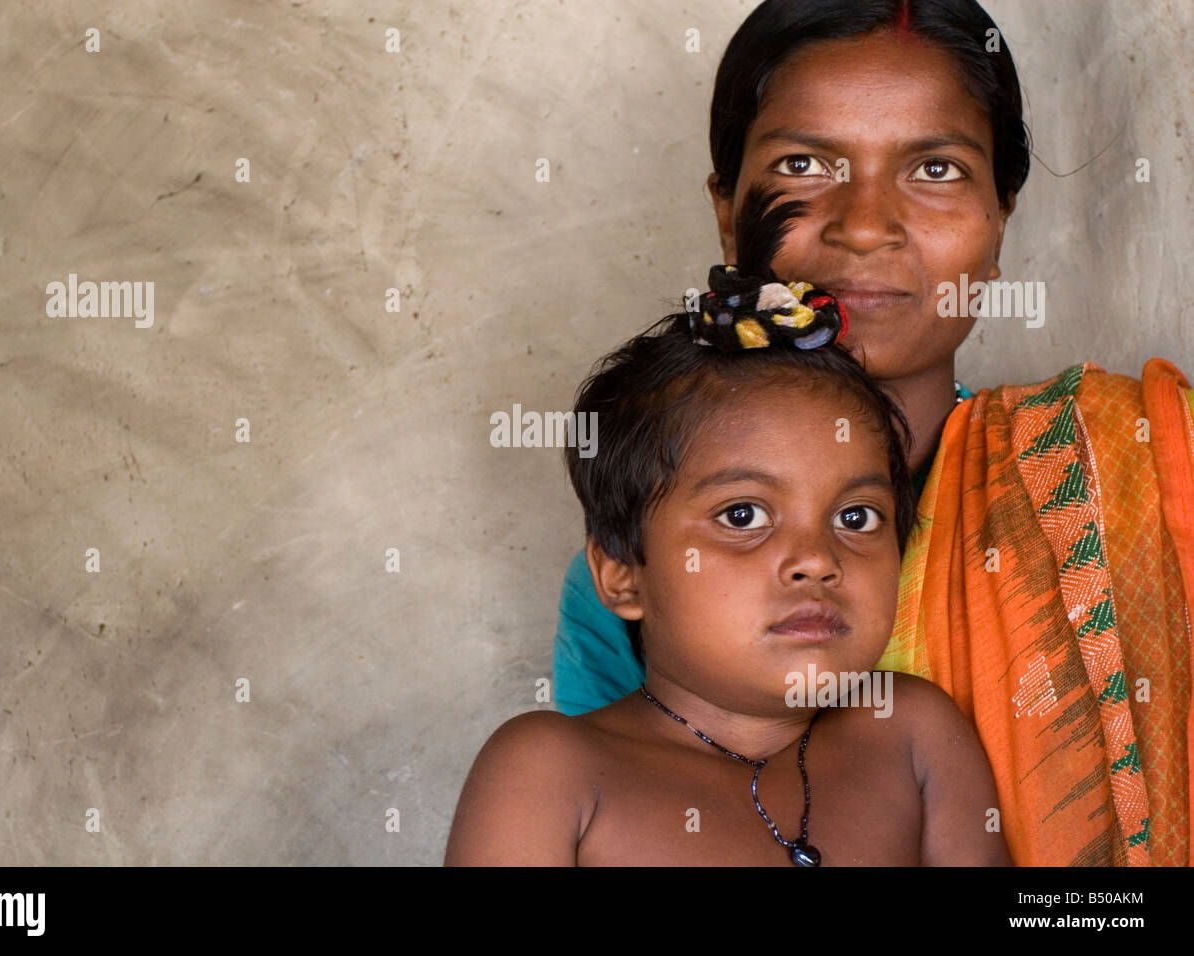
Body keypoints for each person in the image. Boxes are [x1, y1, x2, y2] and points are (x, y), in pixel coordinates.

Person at [552, 0, 1194, 867]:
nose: (863, 224)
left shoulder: (1117, 471)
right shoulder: (660, 564)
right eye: (804, 162)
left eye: (935, 169)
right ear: (725, 208)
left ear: (1001, 218)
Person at [446, 190, 1010, 865]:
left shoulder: (913, 734)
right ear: (623, 573)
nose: (816, 561)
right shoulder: (553, 773)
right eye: (743, 516)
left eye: (856, 517)